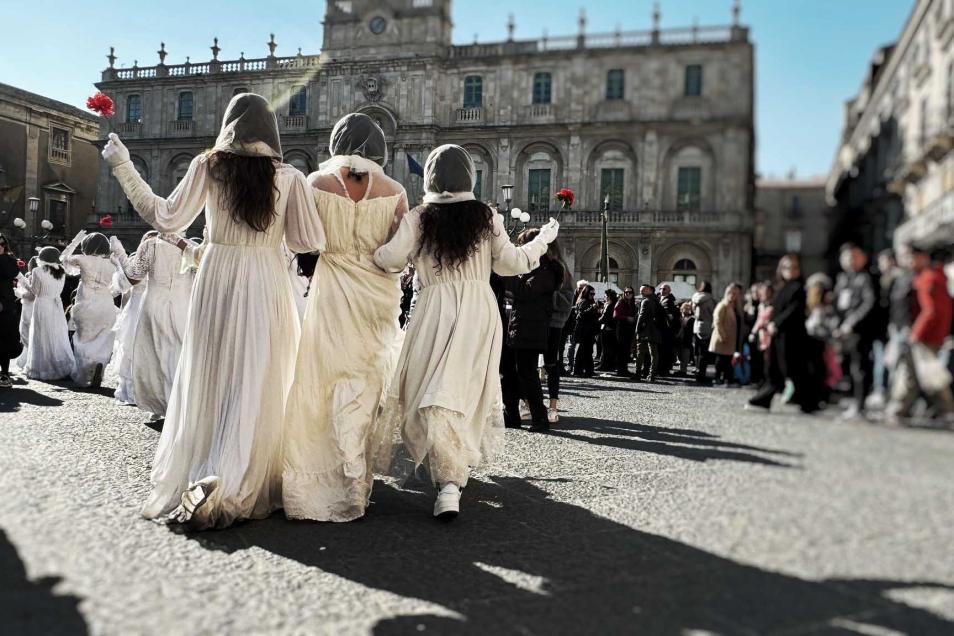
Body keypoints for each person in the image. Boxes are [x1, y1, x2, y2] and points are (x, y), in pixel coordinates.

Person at [102, 92, 327, 530]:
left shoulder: (209, 166)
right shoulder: (290, 177)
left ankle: (207, 465)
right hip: (265, 279)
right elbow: (307, 241)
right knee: (258, 377)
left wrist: (124, 166)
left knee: (212, 371)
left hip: (217, 276)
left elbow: (165, 217)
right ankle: (237, 475)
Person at [373, 144, 559, 519]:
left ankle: (449, 480)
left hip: (434, 309)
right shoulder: (486, 217)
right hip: (478, 311)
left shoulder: (419, 218)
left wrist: (380, 244)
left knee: (428, 391)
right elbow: (511, 264)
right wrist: (542, 240)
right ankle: (451, 475)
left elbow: (388, 259)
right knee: (461, 391)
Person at [282, 113, 408, 523]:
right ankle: (355, 472)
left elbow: (301, 240)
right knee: (365, 380)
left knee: (322, 378)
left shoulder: (315, 183)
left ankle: (322, 473)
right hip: (376, 295)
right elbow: (397, 253)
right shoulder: (395, 191)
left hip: (332, 289)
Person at [118, 232, 195, 419]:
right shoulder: (190, 246)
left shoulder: (150, 245)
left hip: (155, 302)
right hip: (182, 303)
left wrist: (121, 257)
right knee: (180, 351)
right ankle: (178, 402)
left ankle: (160, 403)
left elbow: (134, 277)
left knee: (155, 353)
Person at [503, 228, 562, 431]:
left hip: (531, 329)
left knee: (528, 374)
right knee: (515, 373)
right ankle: (515, 416)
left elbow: (524, 292)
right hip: (522, 326)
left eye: (524, 245)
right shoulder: (537, 268)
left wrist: (507, 272)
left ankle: (540, 419)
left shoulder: (547, 270)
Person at [886, 245, 954, 423]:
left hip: (924, 336)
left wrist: (916, 333)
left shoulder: (929, 278)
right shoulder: (930, 277)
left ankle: (946, 410)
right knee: (914, 372)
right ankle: (900, 409)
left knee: (929, 374)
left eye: (913, 257)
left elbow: (931, 311)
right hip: (926, 334)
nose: (910, 261)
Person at [748, 256, 820, 412]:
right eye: (787, 267)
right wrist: (772, 324)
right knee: (777, 369)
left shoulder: (799, 288)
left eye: (794, 267)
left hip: (792, 336)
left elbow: (793, 310)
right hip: (780, 336)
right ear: (781, 269)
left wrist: (776, 323)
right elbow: (777, 310)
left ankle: (809, 402)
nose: (791, 271)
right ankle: (766, 399)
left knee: (791, 369)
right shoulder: (782, 288)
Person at [61, 231, 120, 388]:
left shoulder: (82, 259)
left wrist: (75, 241)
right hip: (106, 302)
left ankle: (86, 373)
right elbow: (119, 284)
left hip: (86, 302)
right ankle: (99, 362)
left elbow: (63, 259)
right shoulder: (112, 263)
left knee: (83, 338)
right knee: (103, 337)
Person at [833, 243, 877, 418]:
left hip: (859, 330)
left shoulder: (865, 278)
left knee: (859, 367)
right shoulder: (843, 278)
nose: (850, 261)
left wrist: (851, 322)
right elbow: (838, 304)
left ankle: (860, 404)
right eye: (846, 257)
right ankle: (852, 400)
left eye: (854, 257)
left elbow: (868, 302)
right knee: (846, 366)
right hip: (843, 331)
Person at [19, 247, 74, 381]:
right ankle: (59, 364)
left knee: (41, 335)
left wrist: (23, 283)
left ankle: (42, 367)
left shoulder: (37, 271)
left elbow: (34, 292)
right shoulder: (61, 271)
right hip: (57, 305)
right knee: (57, 335)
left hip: (42, 304)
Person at [108, 246, 146, 405]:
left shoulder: (136, 267)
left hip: (135, 307)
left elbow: (121, 286)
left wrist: (119, 266)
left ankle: (131, 387)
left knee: (130, 346)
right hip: (155, 305)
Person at [543, 241, 575, 423]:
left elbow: (567, 301)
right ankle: (529, 404)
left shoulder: (561, 269)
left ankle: (553, 406)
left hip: (553, 324)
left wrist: (544, 294)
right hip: (536, 321)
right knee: (528, 364)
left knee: (551, 364)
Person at [0, 234, 25, 387]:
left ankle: (4, 374)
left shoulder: (9, 261)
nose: (0, 246)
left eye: (2, 244)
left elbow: (12, 274)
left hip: (5, 305)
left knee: (4, 340)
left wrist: (2, 257)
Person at [710, 283, 743, 386]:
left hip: (731, 338)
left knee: (728, 360)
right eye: (731, 293)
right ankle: (717, 379)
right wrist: (722, 336)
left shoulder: (735, 306)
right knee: (721, 360)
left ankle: (727, 379)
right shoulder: (722, 305)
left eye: (735, 294)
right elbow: (717, 321)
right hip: (723, 338)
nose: (733, 296)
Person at [634, 285, 662, 382]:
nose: (641, 292)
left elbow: (641, 316)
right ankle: (651, 375)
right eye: (640, 290)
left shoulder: (646, 301)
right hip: (655, 330)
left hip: (645, 330)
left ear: (649, 290)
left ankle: (638, 374)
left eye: (643, 290)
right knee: (654, 353)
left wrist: (637, 329)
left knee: (640, 352)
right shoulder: (657, 300)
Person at [14, 257, 37, 372]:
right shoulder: (35, 276)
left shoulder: (32, 277)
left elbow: (30, 295)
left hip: (29, 306)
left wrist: (17, 293)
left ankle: (27, 360)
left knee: (26, 331)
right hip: (35, 306)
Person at [572, 285, 599, 378]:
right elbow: (581, 314)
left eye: (594, 294)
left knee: (588, 351)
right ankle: (578, 370)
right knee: (583, 350)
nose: (593, 295)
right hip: (584, 330)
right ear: (586, 293)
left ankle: (588, 369)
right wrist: (592, 308)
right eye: (591, 293)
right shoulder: (583, 301)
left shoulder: (589, 302)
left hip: (589, 330)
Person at [692, 281, 716, 384]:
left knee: (697, 351)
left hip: (696, 326)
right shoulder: (710, 299)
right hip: (707, 326)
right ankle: (701, 374)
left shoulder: (695, 297)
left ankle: (697, 371)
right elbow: (713, 312)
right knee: (704, 352)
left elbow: (693, 311)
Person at [613, 286, 637, 377]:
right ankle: (621, 370)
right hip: (622, 328)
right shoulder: (620, 302)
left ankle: (624, 369)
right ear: (624, 293)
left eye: (630, 292)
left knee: (626, 350)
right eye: (626, 292)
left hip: (629, 328)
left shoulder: (632, 303)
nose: (628, 294)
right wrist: (627, 318)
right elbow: (616, 315)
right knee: (622, 349)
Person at [658, 284, 680, 377]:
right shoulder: (662, 299)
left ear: (669, 291)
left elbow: (670, 316)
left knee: (665, 351)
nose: (662, 290)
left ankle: (664, 370)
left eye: (664, 289)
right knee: (663, 350)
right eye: (661, 289)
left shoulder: (669, 300)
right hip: (664, 329)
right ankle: (663, 369)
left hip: (666, 330)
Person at [597, 289, 618, 372]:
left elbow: (604, 318)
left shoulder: (609, 305)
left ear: (609, 297)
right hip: (612, 329)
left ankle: (604, 365)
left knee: (605, 348)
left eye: (605, 296)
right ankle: (610, 365)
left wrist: (598, 319)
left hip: (607, 328)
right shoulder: (614, 304)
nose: (604, 297)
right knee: (610, 349)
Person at [676, 301, 695, 376]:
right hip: (679, 339)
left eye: (688, 308)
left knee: (685, 355)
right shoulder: (679, 317)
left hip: (686, 340)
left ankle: (683, 370)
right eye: (685, 308)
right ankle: (681, 370)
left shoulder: (691, 319)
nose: (686, 310)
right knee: (680, 355)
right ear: (682, 309)